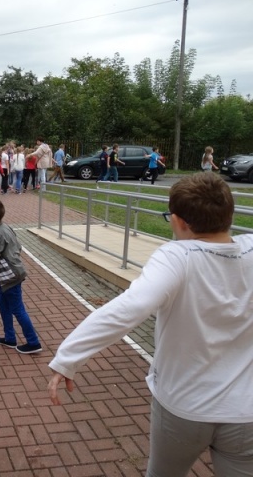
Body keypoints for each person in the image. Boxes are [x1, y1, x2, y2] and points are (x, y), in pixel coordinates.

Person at [48, 172, 253, 476]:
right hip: (245, 412)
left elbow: (130, 307)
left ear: (179, 221)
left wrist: (67, 358)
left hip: (183, 406)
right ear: (230, 214)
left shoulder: (177, 256)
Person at [0, 200, 43, 354]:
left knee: (18, 309)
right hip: (10, 275)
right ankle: (10, 338)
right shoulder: (6, 228)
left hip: (10, 277)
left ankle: (33, 342)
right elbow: (18, 246)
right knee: (2, 304)